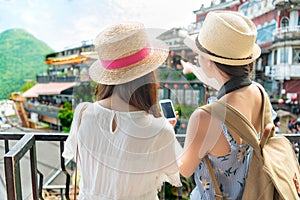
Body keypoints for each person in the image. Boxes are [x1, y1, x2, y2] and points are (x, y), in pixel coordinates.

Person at [62, 22, 182, 200]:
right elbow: (171, 170)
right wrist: (165, 128)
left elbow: (82, 162)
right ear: (148, 76)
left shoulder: (83, 113)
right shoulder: (160, 129)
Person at [179, 10, 268, 199]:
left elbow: (184, 170)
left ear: (210, 61)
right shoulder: (259, 92)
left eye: (200, 53)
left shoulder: (205, 117)